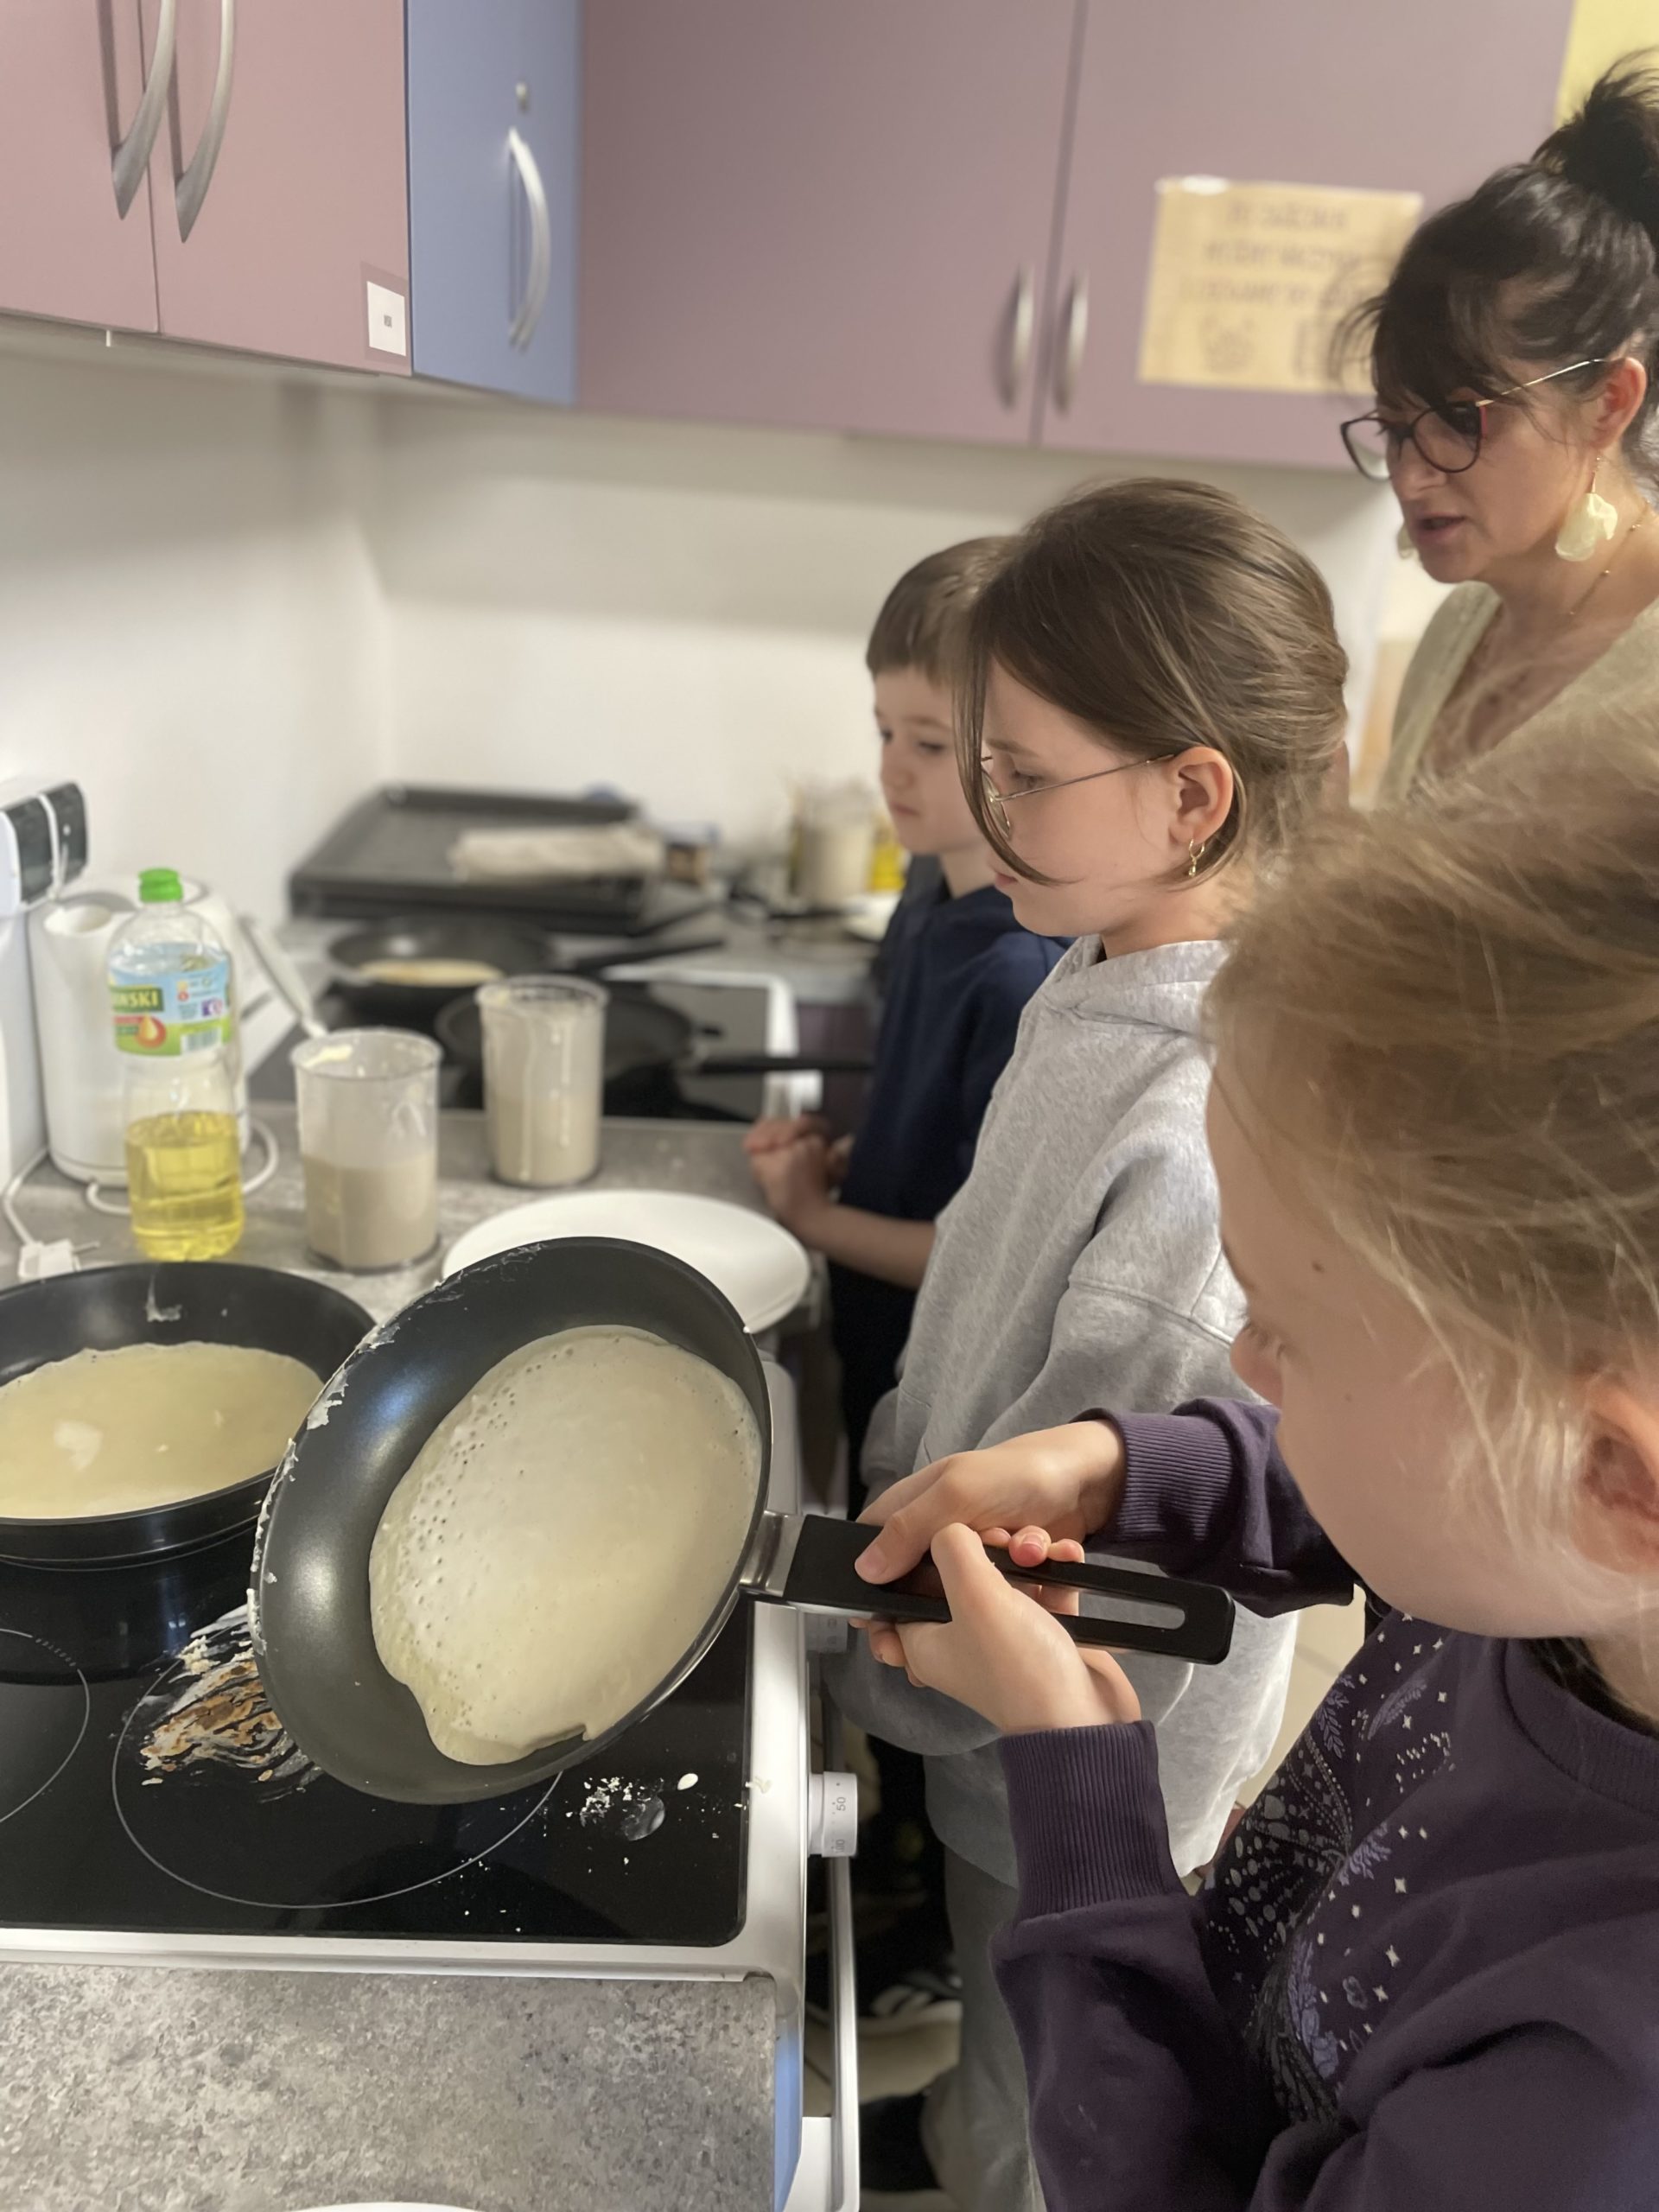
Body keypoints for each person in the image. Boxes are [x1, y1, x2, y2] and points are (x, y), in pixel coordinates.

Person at [853, 728, 1659, 2210]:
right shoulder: (1555, 1550)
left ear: (1617, 1476)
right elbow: (1359, 1496)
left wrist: (1083, 1799)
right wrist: (1122, 1467)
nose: (1252, 1365)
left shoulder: (1591, 2108)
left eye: (1285, 1326)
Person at [826, 478, 1350, 2209]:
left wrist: (868, 1619)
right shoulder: (1103, 954)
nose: (978, 804)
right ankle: (972, 2132)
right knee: (1000, 2026)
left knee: (1054, 2083)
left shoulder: (1203, 1102)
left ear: (1194, 793)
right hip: (996, 1681)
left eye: (1023, 773)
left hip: (1070, 1732)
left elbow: (1105, 1521)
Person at [747, 538, 1065, 1502]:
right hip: (867, 1318)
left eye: (929, 744)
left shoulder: (1019, 969)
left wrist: (813, 1215)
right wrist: (851, 1156)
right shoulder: (927, 886)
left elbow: (968, 1251)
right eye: (884, 731)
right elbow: (930, 1122)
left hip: (928, 1360)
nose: (893, 770)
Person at [1338, 62, 1659, 795]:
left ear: (1609, 402)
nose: (1412, 476)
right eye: (1394, 427)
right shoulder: (1461, 627)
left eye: (1461, 418)